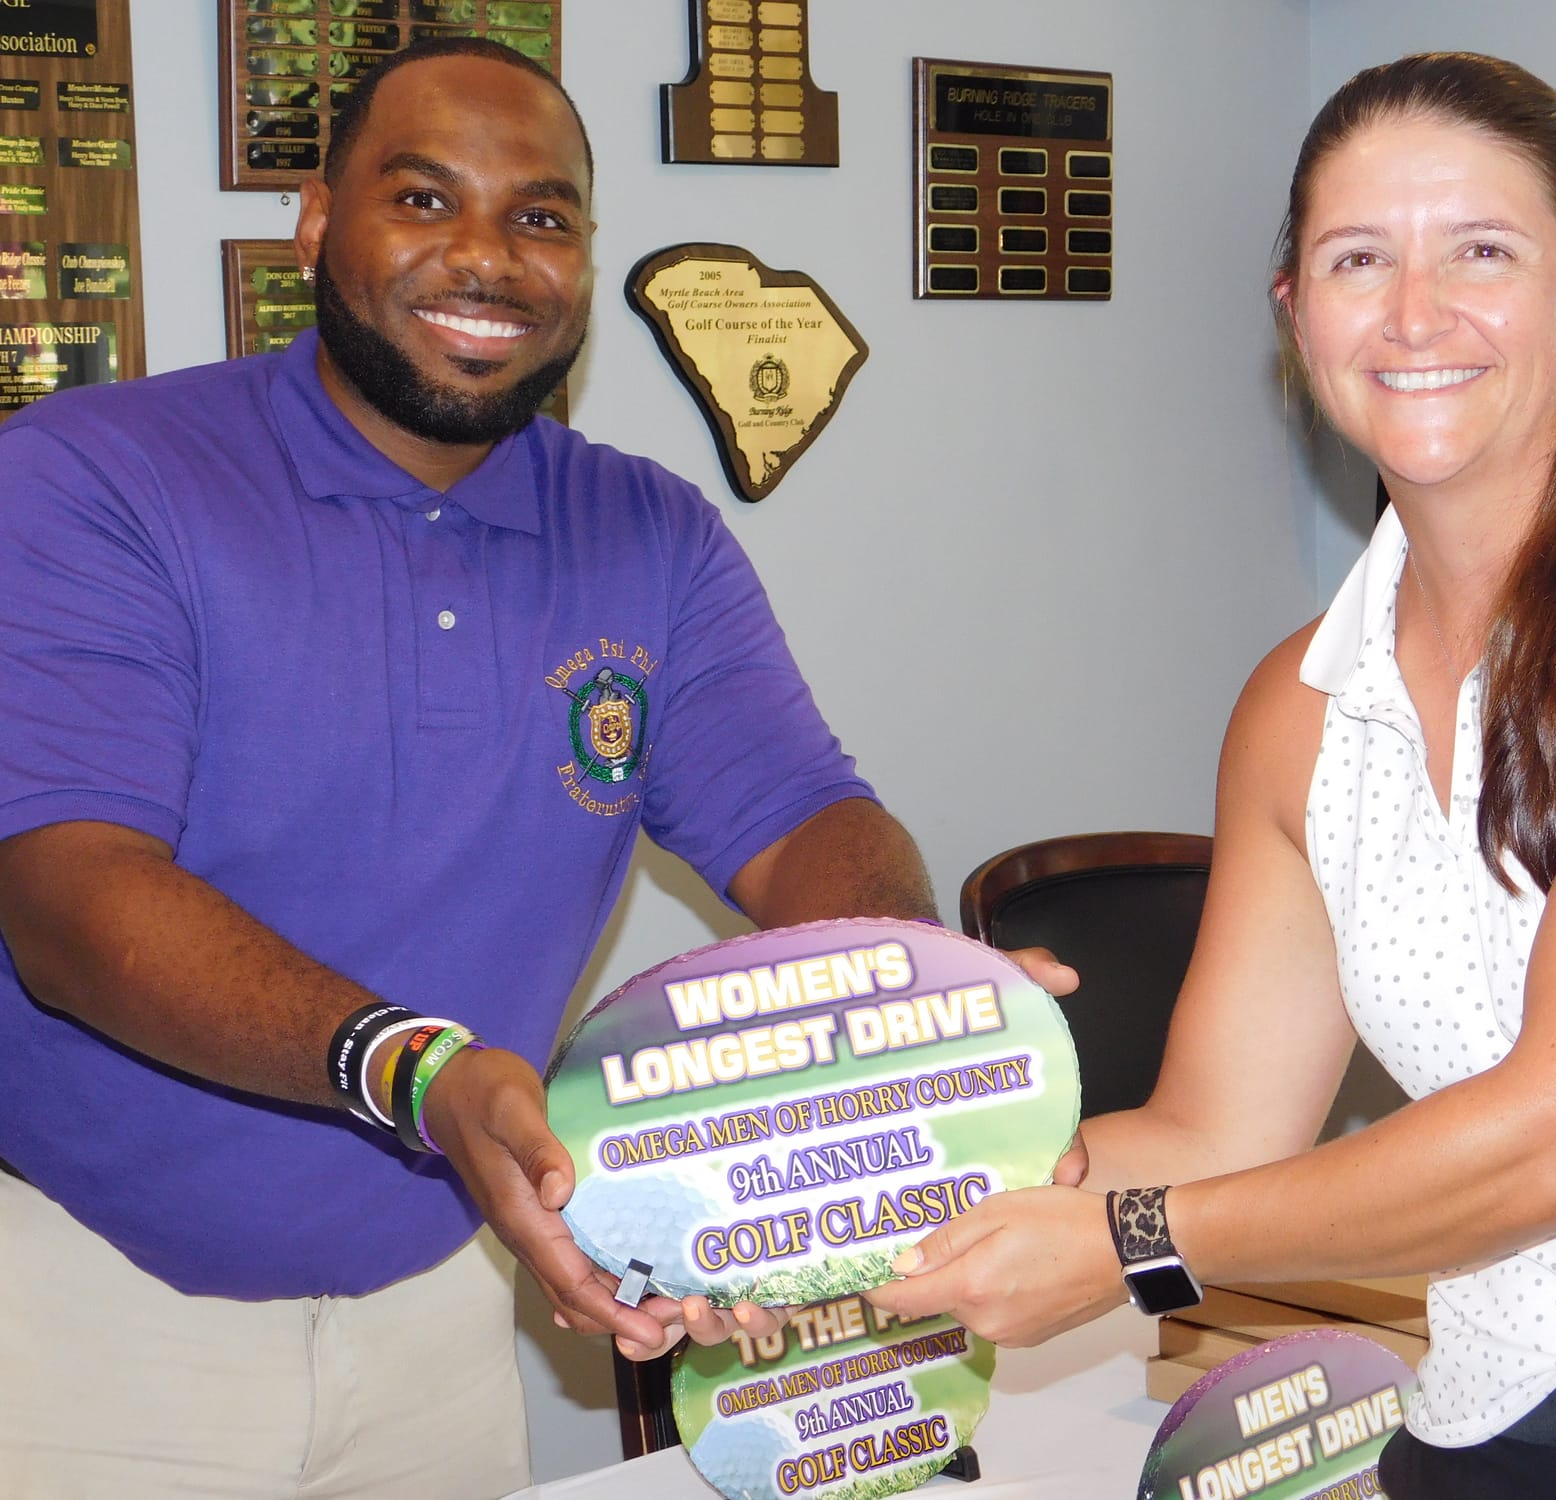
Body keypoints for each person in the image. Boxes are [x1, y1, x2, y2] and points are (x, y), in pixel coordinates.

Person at [867, 51, 1556, 1497]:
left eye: (1481, 251)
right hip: (1497, 1419)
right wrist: (830, 1224)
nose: (1415, 312)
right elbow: (1214, 1130)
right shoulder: (1300, 707)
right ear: (1297, 313)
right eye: (1359, 259)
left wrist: (1128, 1246)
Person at [0, 37, 1072, 1500]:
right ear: (315, 224)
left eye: (542, 216)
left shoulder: (651, 531)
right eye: (423, 198)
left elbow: (801, 817)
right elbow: (69, 904)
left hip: (440, 1306)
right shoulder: (95, 474)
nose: (486, 257)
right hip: (89, 1318)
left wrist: (904, 1005)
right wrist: (420, 1071)